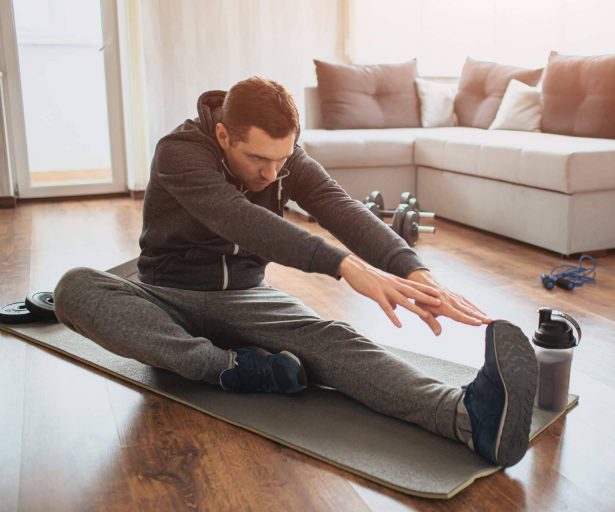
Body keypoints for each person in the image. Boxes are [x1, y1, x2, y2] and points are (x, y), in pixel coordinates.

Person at [53, 77, 538, 467]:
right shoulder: (179, 152)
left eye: (282, 159)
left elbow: (338, 206)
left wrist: (411, 268)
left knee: (335, 338)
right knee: (74, 287)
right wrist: (344, 266)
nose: (271, 174)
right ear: (223, 135)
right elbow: (241, 219)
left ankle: (466, 418)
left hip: (246, 298)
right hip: (164, 293)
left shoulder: (284, 159)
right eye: (257, 159)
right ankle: (230, 369)